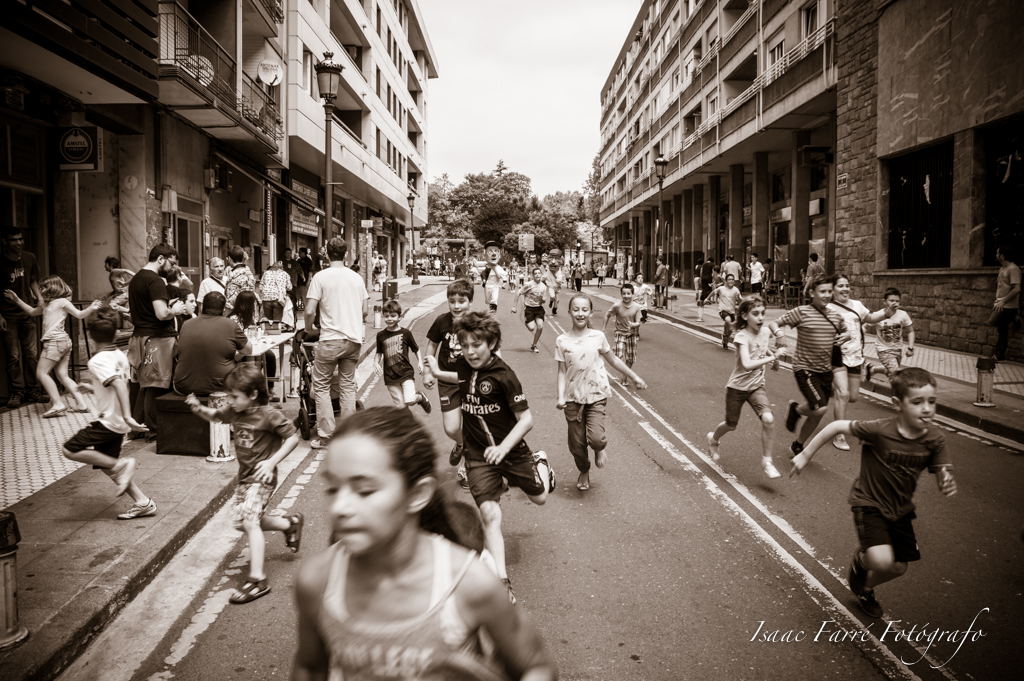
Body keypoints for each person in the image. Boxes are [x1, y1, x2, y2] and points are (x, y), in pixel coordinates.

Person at [292, 407, 557, 680]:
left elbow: (536, 666)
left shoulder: (469, 584)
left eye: (365, 490)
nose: (340, 506)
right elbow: (309, 667)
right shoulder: (316, 582)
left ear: (418, 494)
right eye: (333, 489)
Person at [790, 367, 957, 619]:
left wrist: (945, 478)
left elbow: (941, 466)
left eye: (931, 402)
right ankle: (862, 562)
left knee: (898, 567)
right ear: (897, 404)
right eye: (917, 402)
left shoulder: (934, 439)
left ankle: (865, 588)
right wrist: (805, 453)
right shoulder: (880, 430)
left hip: (900, 509)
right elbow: (836, 426)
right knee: (879, 560)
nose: (927, 409)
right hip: (869, 502)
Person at [423, 312, 555, 604]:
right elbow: (457, 376)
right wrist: (435, 370)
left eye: (477, 345)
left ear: (492, 343)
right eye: (465, 345)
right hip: (478, 455)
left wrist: (504, 448)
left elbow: (526, 420)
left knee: (541, 498)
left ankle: (541, 463)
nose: (470, 351)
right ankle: (501, 581)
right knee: (490, 515)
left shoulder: (505, 376)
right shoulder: (463, 364)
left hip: (512, 451)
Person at [186, 364, 303, 604]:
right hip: (245, 477)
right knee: (244, 522)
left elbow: (293, 437)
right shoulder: (236, 411)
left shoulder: (269, 414)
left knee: (250, 522)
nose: (231, 401)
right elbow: (215, 416)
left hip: (262, 478)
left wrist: (271, 462)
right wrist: (198, 409)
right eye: (229, 396)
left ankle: (258, 580)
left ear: (252, 395)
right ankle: (289, 524)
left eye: (235, 396)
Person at [62, 308, 155, 519]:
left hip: (110, 422)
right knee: (107, 465)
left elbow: (120, 385)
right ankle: (143, 502)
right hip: (118, 422)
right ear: (116, 334)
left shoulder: (96, 361)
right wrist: (94, 388)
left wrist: (128, 416)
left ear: (91, 337)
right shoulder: (118, 354)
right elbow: (114, 384)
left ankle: (122, 464)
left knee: (69, 449)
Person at [557, 293, 647, 491]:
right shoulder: (561, 341)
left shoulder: (597, 337)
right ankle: (584, 470)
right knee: (577, 445)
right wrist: (561, 396)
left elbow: (614, 360)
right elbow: (562, 371)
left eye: (584, 310)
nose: (580, 314)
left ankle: (599, 449)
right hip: (573, 399)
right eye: (576, 309)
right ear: (569, 312)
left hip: (596, 396)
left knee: (596, 439)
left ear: (590, 312)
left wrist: (634, 376)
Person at [768, 273, 849, 459]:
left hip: (825, 371)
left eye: (830, 291)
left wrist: (847, 336)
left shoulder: (836, 317)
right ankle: (796, 409)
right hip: (804, 368)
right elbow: (774, 323)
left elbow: (845, 332)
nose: (827, 295)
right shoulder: (802, 312)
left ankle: (798, 444)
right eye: (823, 291)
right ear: (812, 292)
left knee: (817, 413)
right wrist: (779, 333)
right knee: (820, 408)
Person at [707, 297, 783, 479]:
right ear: (744, 316)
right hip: (737, 388)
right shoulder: (741, 336)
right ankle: (713, 438)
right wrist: (773, 358)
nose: (760, 317)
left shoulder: (764, 332)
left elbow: (761, 346)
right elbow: (748, 363)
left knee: (768, 418)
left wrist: (773, 354)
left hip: (756, 387)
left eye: (763, 313)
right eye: (755, 314)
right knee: (731, 425)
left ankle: (767, 461)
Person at [5, 276, 100, 417]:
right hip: (62, 342)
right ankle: (82, 405)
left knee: (41, 373)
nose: (40, 290)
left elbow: (79, 315)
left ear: (52, 288)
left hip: (55, 342)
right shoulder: (46, 305)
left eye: (43, 288)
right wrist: (17, 300)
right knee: (62, 375)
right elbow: (31, 311)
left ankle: (58, 404)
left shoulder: (62, 302)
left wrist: (91, 308)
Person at [305, 238, 368, 449]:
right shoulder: (356, 278)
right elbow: (365, 311)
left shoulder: (320, 277)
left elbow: (309, 311)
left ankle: (327, 436)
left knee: (321, 385)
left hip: (330, 339)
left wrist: (308, 329)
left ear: (325, 254)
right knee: (347, 386)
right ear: (346, 254)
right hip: (353, 340)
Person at [828, 274, 898, 451]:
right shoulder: (827, 308)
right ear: (833, 289)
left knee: (852, 397)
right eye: (841, 286)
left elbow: (870, 318)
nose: (845, 289)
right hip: (836, 356)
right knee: (843, 395)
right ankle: (839, 433)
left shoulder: (857, 305)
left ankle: (835, 393)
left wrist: (886, 313)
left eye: (847, 285)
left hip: (855, 357)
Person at [127, 244, 187, 435]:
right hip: (157, 340)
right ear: (160, 259)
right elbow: (161, 314)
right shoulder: (155, 281)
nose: (172, 268)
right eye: (172, 263)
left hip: (139, 338)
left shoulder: (136, 279)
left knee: (143, 385)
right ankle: (154, 430)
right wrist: (174, 311)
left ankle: (138, 427)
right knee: (155, 385)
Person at [423, 278, 473, 486]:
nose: (456, 305)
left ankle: (468, 464)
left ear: (470, 301)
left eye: (461, 301)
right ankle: (461, 444)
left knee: (472, 425)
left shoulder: (475, 323)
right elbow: (432, 346)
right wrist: (427, 371)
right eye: (452, 301)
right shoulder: (441, 321)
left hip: (472, 382)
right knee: (451, 428)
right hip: (447, 381)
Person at [173, 292, 251, 396]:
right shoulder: (230, 325)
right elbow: (248, 350)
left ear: (202, 308)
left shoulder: (186, 324)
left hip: (183, 386)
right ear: (223, 310)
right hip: (220, 387)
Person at [1, 225, 46, 408]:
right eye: (14, 240)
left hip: (28, 313)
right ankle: (16, 393)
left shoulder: (30, 257)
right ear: (5, 242)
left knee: (32, 354)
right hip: (8, 316)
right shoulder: (1, 262)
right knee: (13, 357)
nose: (19, 243)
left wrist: (40, 298)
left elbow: (33, 280)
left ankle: (33, 391)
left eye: (20, 239)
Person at [375, 298, 431, 413]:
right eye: (386, 316)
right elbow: (379, 352)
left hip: (405, 373)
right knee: (401, 406)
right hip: (390, 376)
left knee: (410, 400)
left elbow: (416, 349)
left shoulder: (406, 333)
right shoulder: (380, 335)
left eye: (393, 316)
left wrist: (420, 362)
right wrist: (375, 362)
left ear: (400, 317)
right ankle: (408, 425)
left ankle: (420, 397)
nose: (389, 319)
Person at [231, 290, 278, 400]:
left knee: (270, 356)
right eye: (255, 303)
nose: (257, 305)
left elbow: (254, 331)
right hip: (239, 350)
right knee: (254, 360)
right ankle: (251, 390)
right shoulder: (234, 318)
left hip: (252, 346)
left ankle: (270, 389)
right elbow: (239, 339)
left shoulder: (250, 316)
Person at [866, 288, 914, 383]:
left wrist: (910, 348)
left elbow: (910, 331)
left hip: (897, 349)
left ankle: (872, 370)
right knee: (896, 376)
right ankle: (898, 396)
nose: (894, 303)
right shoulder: (879, 314)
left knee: (891, 371)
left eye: (897, 301)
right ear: (885, 302)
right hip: (883, 350)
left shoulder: (903, 315)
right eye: (891, 300)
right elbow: (865, 326)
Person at [603, 282, 643, 387]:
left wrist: (634, 324)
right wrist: (603, 329)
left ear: (632, 294)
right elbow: (607, 315)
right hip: (620, 333)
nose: (626, 296)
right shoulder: (617, 306)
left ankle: (625, 378)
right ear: (621, 294)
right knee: (618, 355)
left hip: (631, 335)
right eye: (624, 294)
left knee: (630, 359)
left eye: (628, 293)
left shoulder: (638, 307)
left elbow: (639, 322)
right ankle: (601, 372)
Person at [991, 245, 1020, 362]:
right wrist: (997, 300)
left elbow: (1017, 289)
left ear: (1002, 255)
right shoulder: (1002, 269)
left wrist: (1003, 301)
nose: (996, 255)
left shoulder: (1013, 269)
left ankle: (1014, 315)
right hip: (1000, 304)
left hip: (1008, 305)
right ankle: (999, 355)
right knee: (1001, 329)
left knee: (992, 321)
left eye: (998, 253)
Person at [511, 267, 549, 353]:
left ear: (541, 274)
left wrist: (542, 299)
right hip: (529, 309)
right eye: (535, 273)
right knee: (532, 328)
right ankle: (527, 321)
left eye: (539, 273)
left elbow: (543, 300)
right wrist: (514, 306)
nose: (537, 275)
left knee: (540, 326)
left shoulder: (543, 286)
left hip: (538, 308)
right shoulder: (529, 284)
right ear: (533, 275)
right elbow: (518, 293)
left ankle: (534, 345)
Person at [710, 273, 743, 349]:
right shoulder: (721, 289)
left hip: (732, 311)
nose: (731, 281)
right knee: (728, 320)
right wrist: (706, 299)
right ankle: (725, 334)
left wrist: (742, 305)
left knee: (731, 329)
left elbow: (740, 299)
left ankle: (726, 339)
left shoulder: (736, 290)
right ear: (726, 281)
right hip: (723, 310)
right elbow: (713, 292)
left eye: (732, 279)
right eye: (729, 279)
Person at [223, 246, 256, 315]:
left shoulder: (233, 275)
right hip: (249, 312)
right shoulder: (248, 272)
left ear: (229, 258)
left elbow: (231, 302)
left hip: (236, 314)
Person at [479, 241, 506, 314]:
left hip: (495, 286)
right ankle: (490, 306)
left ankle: (493, 312)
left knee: (494, 299)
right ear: (485, 255)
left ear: (499, 255)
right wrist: (484, 281)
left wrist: (494, 269)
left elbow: (501, 277)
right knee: (487, 301)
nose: (494, 254)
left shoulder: (499, 268)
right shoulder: (485, 268)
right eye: (490, 251)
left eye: (496, 251)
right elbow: (483, 275)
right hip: (487, 287)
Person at [698, 256, 715, 321]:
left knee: (704, 289)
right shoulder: (712, 264)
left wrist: (701, 277)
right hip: (709, 277)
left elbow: (701, 271)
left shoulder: (704, 264)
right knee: (709, 289)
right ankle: (707, 300)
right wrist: (713, 278)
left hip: (703, 277)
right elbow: (713, 272)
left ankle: (705, 300)